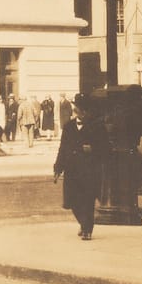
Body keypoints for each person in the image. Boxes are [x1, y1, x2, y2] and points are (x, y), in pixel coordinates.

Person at [53, 94, 106, 239]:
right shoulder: (69, 126)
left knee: (87, 201)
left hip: (89, 170)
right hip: (71, 170)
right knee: (72, 202)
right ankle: (84, 224)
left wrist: (93, 149)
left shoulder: (97, 126)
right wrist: (58, 168)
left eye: (83, 110)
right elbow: (62, 148)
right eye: (79, 109)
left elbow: (106, 148)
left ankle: (87, 229)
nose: (80, 112)